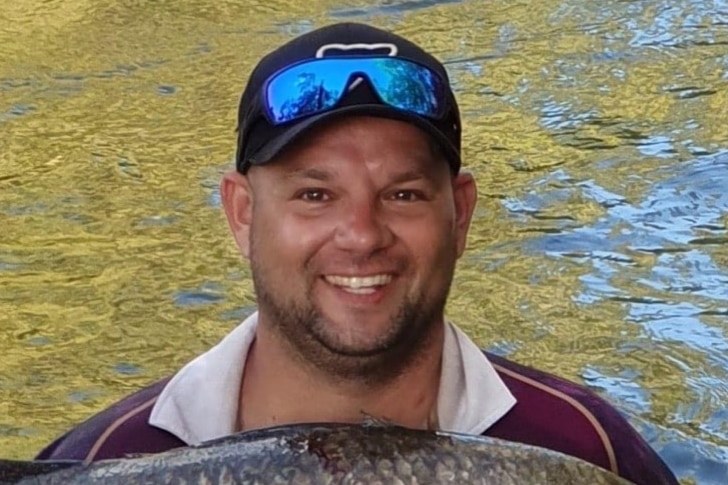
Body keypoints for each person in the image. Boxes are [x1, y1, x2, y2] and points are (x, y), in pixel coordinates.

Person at [36, 22, 678, 484]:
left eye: (402, 193)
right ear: (242, 213)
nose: (362, 233)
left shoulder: (590, 452)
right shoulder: (105, 461)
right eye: (315, 194)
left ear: (460, 215)